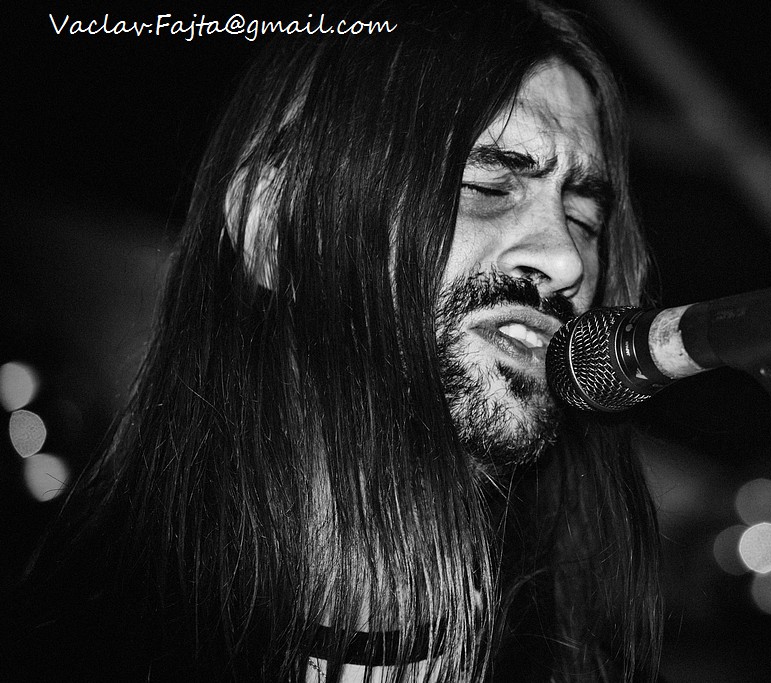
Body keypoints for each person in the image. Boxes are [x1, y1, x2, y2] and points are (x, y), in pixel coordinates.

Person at [3, 1, 661, 680]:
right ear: (272, 227)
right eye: (486, 185)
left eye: (583, 216)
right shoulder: (68, 646)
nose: (565, 259)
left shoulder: (594, 660)